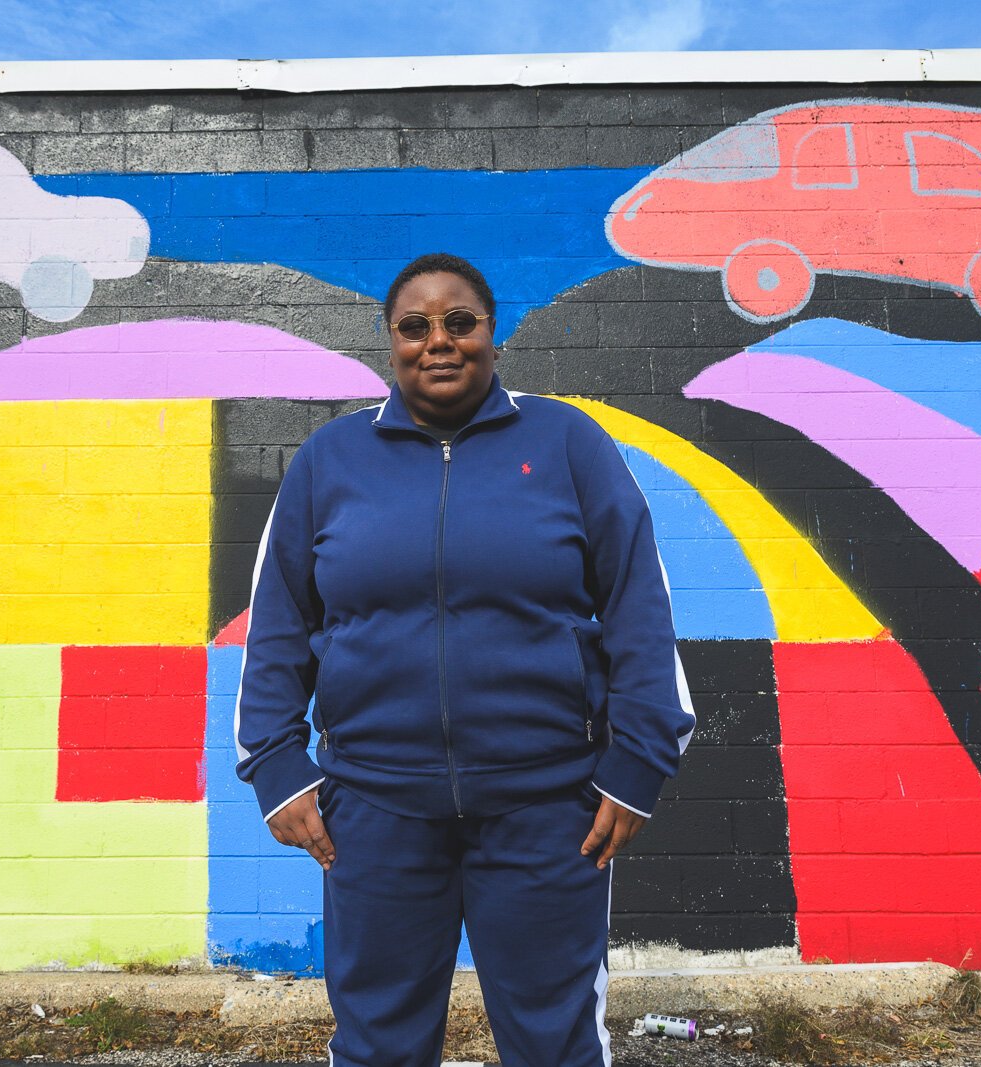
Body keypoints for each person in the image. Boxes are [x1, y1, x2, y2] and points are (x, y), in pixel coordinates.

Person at [234, 252, 694, 1067]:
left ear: (491, 333)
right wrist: (276, 765)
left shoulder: (567, 443)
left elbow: (638, 606)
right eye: (415, 326)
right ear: (391, 342)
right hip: (374, 814)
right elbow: (278, 623)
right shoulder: (328, 462)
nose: (437, 342)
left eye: (459, 322)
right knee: (377, 1042)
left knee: (554, 1042)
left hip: (550, 811)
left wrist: (638, 763)